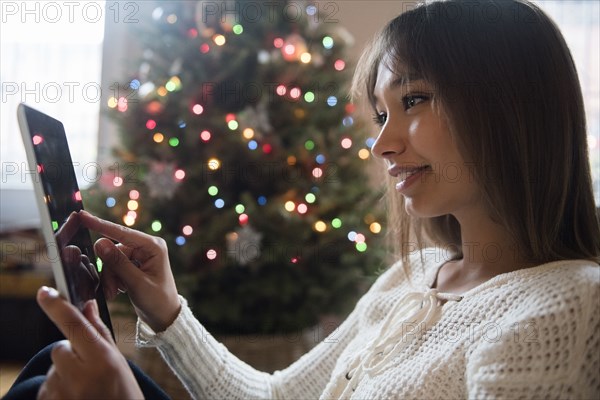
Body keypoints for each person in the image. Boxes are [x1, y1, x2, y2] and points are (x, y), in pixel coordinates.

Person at [4, 0, 599, 398]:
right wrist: (166, 309)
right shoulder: (412, 277)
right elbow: (277, 396)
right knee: (49, 368)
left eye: (414, 100)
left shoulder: (560, 309)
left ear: (511, 108)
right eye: (382, 113)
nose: (383, 144)